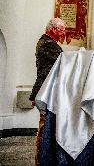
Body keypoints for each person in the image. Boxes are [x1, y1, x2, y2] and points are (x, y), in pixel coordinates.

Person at [29, 18, 65, 166]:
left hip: (48, 90)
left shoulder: (48, 42)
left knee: (47, 126)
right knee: (44, 128)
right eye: (62, 29)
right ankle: (40, 161)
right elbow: (64, 60)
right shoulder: (47, 43)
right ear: (54, 29)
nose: (64, 33)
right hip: (45, 91)